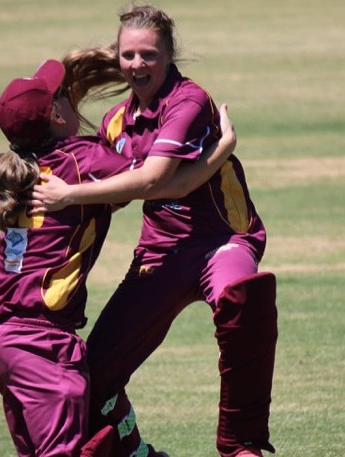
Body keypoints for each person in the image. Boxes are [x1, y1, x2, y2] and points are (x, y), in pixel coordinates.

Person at [30, 5, 278, 457]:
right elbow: (117, 191)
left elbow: (154, 180)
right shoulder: (114, 125)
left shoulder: (189, 101)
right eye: (129, 55)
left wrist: (69, 196)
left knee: (244, 296)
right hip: (159, 254)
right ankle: (135, 453)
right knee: (94, 377)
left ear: (169, 55)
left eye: (149, 55)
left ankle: (240, 444)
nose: (137, 65)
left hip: (222, 241)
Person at [0, 58, 237, 457]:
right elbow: (157, 180)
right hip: (41, 342)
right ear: (58, 116)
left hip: (1, 340)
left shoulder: (19, 171)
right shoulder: (83, 162)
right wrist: (221, 150)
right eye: (62, 95)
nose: (71, 97)